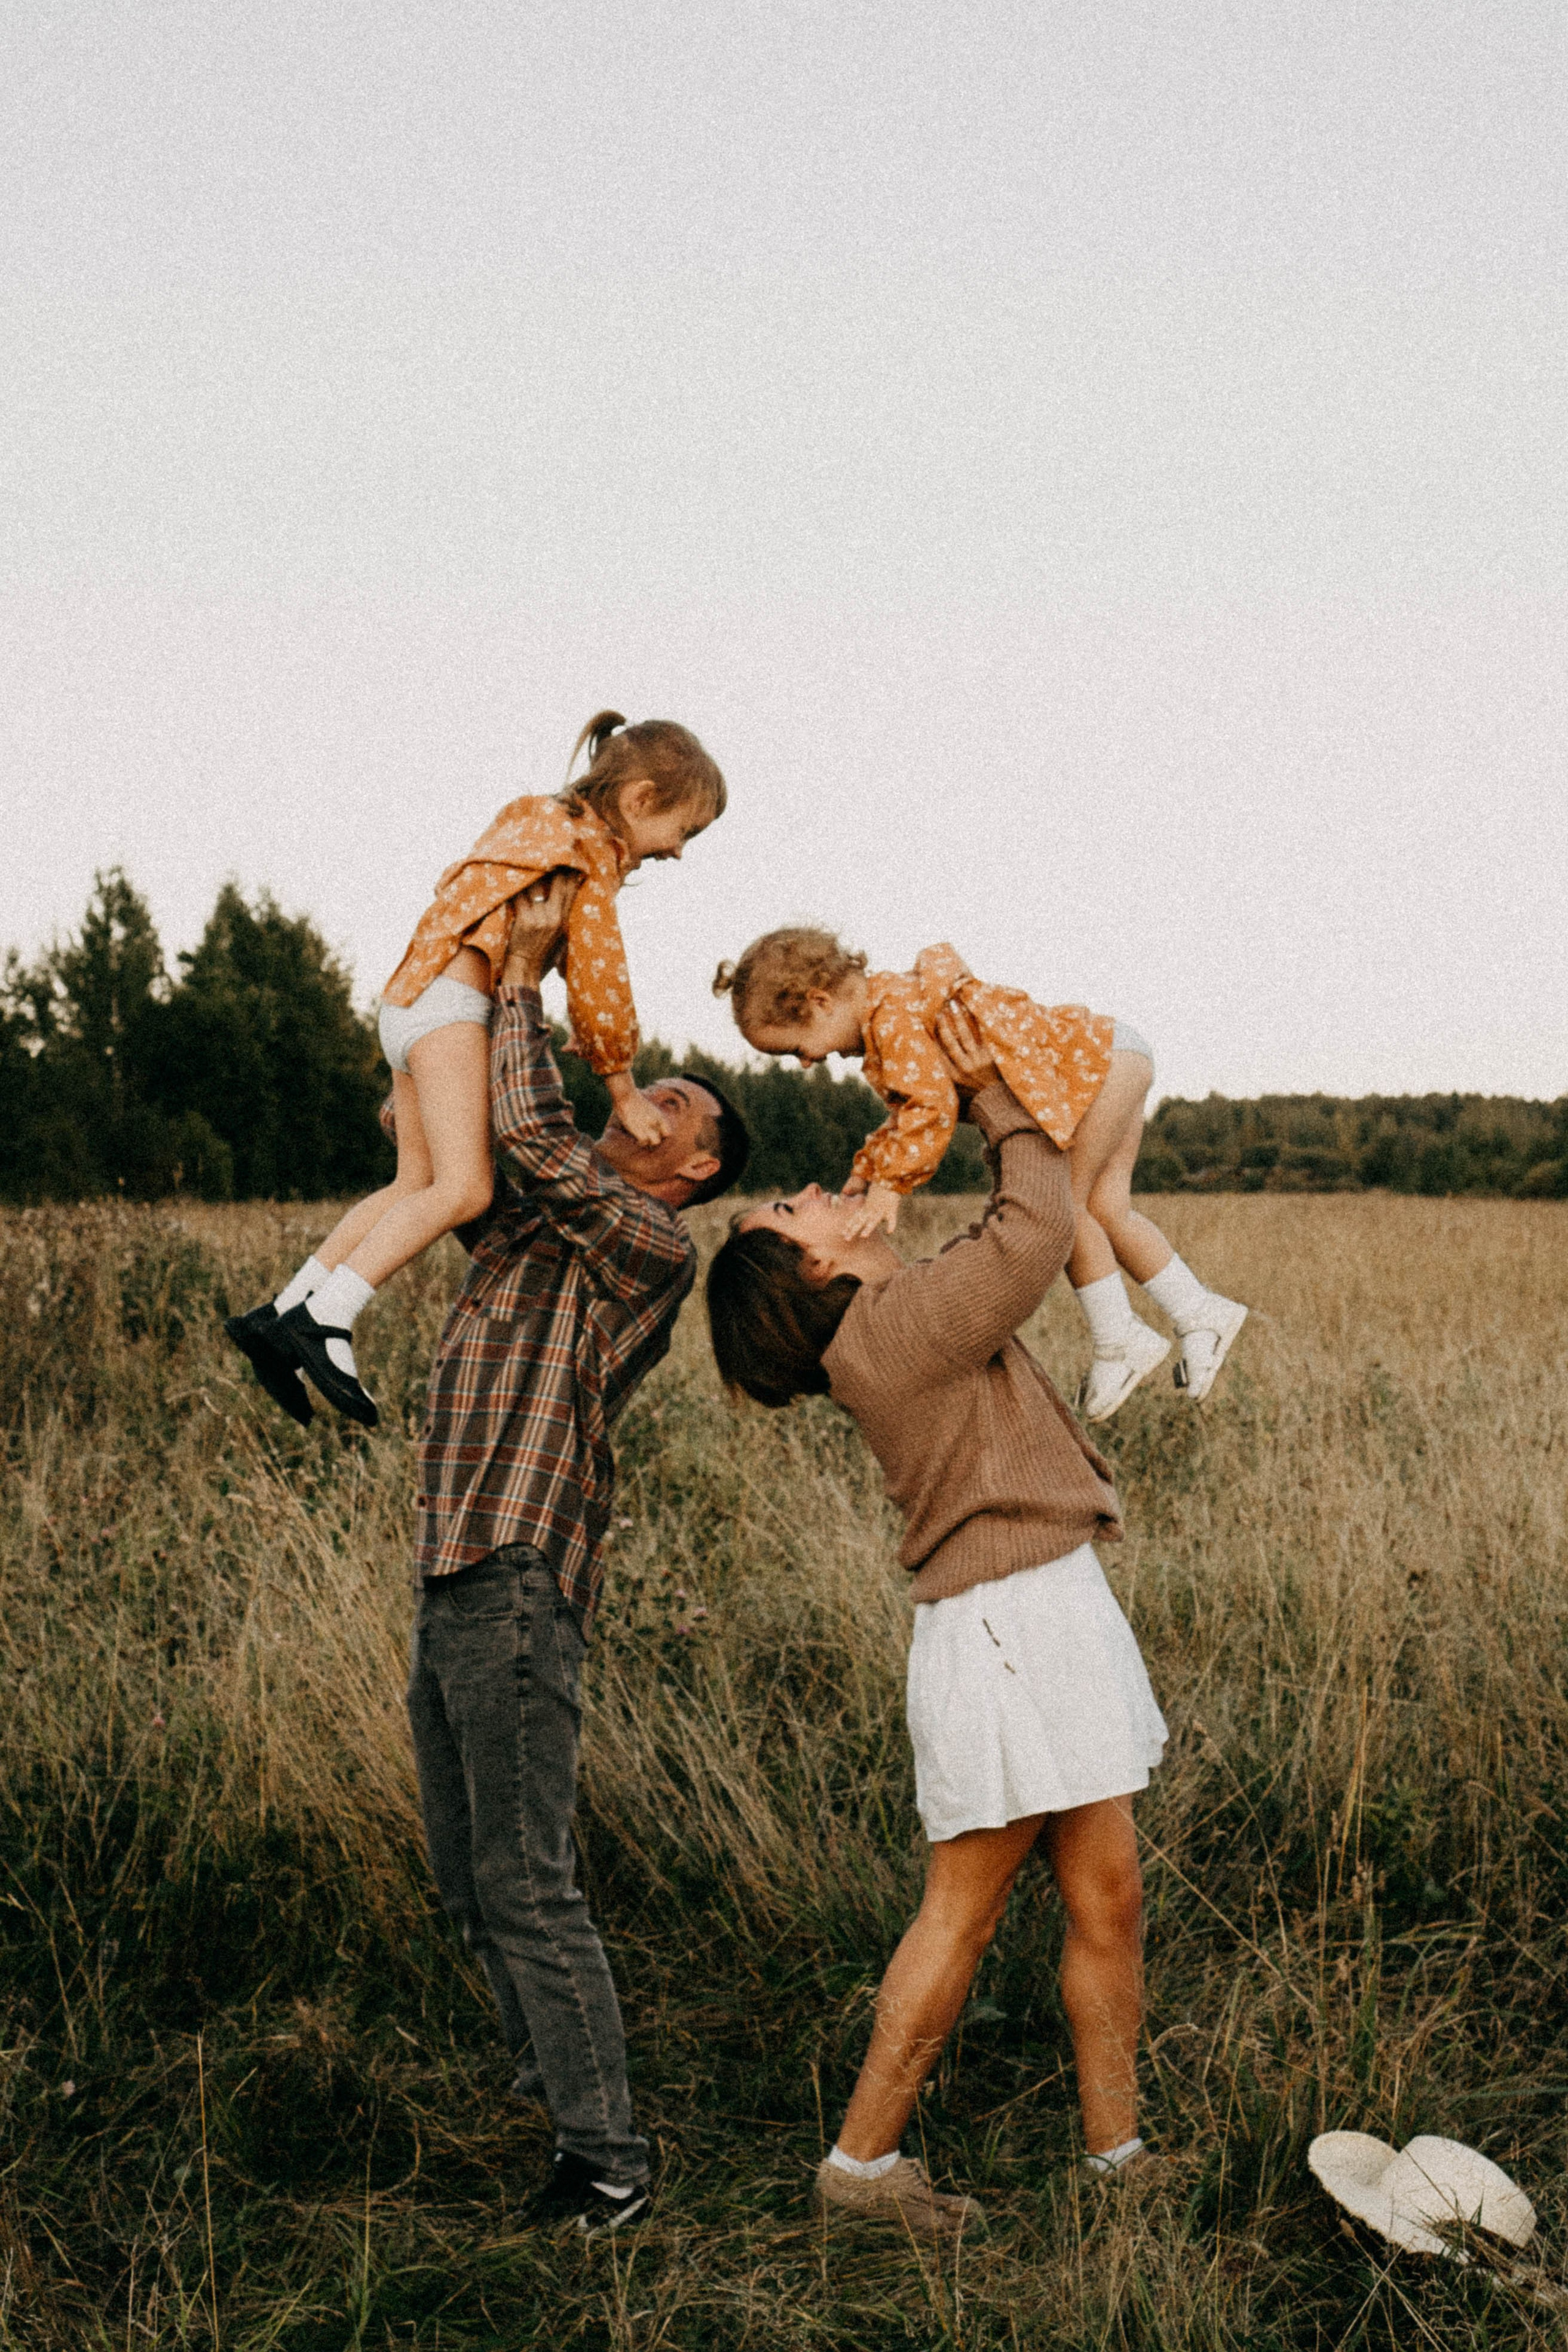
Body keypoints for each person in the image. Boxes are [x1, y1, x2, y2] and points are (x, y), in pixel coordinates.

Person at [705, 1001, 1164, 2236]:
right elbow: (1034, 1231)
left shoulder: (893, 1315)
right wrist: (988, 1093)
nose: (813, 1187)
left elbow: (994, 1243)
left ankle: (1117, 2156)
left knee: (1105, 1894)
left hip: (1045, 1607)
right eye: (791, 1210)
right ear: (809, 1271)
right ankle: (859, 2171)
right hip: (1008, 1627)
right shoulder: (887, 1337)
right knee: (961, 1908)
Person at [406, 872, 748, 2236]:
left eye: (676, 1102)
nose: (649, 1096)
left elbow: (541, 1135)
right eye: (652, 1081)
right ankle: (556, 2091)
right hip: (452, 1579)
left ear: (697, 1167)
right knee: (468, 1882)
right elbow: (475, 1145)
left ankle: (605, 2160)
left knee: (526, 1883)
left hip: (516, 1585)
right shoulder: (535, 1223)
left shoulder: (647, 1240)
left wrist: (524, 973)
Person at [225, 711, 726, 1428]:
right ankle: (328, 1318)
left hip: (408, 999)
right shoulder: (589, 855)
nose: (679, 852)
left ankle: (280, 1311)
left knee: (413, 1183)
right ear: (641, 800)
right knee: (464, 1188)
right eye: (686, 831)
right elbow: (600, 978)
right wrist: (620, 1082)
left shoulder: (530, 822)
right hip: (456, 1003)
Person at [714, 929, 1246, 1419]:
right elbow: (905, 1115)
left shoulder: (891, 1022)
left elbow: (930, 1108)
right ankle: (1200, 1311)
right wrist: (869, 1168)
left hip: (1091, 1068)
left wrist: (891, 1184)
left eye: (794, 1048)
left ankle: (1119, 1339)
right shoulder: (893, 1010)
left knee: (1066, 1208)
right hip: (1109, 1052)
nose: (806, 1063)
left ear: (819, 1003)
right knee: (1109, 1210)